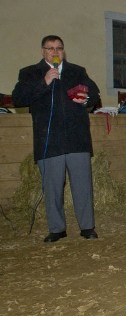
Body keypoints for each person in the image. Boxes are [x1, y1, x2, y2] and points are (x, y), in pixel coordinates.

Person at [12, 35, 100, 243]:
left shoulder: (77, 71)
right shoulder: (29, 73)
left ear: (63, 51)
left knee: (82, 185)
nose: (55, 52)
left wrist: (87, 98)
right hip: (49, 139)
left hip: (77, 138)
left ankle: (87, 227)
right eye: (50, 48)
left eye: (59, 48)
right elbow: (18, 98)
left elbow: (94, 94)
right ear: (43, 51)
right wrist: (44, 81)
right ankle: (57, 228)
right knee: (52, 186)